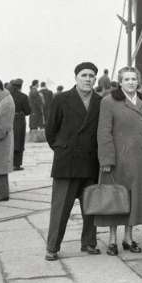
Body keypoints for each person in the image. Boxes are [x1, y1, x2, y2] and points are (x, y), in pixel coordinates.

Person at [44, 62, 102, 261]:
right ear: (76, 77)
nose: (88, 79)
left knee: (91, 207)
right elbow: (50, 131)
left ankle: (89, 243)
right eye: (84, 75)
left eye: (91, 76)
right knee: (60, 209)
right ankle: (52, 247)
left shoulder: (100, 101)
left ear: (95, 79)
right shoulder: (61, 99)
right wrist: (63, 148)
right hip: (67, 162)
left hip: (91, 162)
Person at [96, 67, 142, 256]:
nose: (131, 82)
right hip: (117, 160)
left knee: (133, 200)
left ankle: (128, 238)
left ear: (139, 81)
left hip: (139, 161)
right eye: (127, 79)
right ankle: (112, 240)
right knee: (115, 199)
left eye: (134, 79)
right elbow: (104, 132)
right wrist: (106, 159)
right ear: (120, 82)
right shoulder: (109, 101)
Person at [9, 79, 31, 171]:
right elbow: (28, 111)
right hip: (19, 120)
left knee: (10, 141)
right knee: (19, 141)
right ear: (21, 86)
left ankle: (9, 163)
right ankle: (17, 164)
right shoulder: (23, 96)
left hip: (9, 119)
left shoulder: (8, 96)